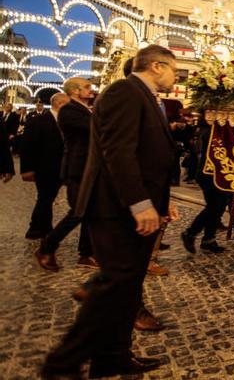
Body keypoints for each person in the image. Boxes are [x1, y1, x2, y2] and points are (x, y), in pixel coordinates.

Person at [41, 45, 180, 378]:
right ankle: (62, 363)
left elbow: (149, 155)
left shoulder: (146, 98)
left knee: (128, 287)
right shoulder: (125, 92)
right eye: (175, 70)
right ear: (158, 66)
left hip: (133, 206)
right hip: (113, 207)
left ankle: (112, 356)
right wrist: (140, 203)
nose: (177, 77)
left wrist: (162, 202)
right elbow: (119, 150)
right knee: (114, 283)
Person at [35, 78, 97, 271]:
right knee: (78, 211)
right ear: (76, 91)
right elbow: (95, 129)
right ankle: (46, 248)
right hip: (77, 168)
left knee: (90, 212)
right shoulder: (69, 111)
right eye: (87, 87)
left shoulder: (86, 110)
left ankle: (86, 255)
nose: (91, 90)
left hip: (89, 169)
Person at [20, 92, 69, 240]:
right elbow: (27, 146)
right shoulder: (38, 121)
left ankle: (43, 227)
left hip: (61, 167)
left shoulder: (66, 122)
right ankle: (35, 228)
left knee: (47, 198)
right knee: (45, 198)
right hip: (44, 167)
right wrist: (26, 169)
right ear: (59, 104)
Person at [180, 117, 227, 255]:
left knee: (218, 206)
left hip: (216, 174)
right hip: (209, 174)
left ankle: (208, 239)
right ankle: (191, 232)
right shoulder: (209, 131)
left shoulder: (214, 130)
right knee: (215, 206)